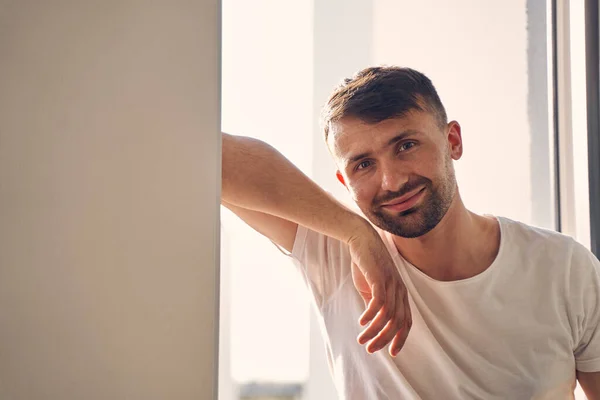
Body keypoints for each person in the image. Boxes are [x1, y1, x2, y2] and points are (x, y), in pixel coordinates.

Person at [221, 66, 600, 399]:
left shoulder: (563, 266)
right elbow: (208, 153)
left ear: (453, 141)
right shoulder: (336, 253)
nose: (391, 181)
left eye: (406, 146)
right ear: (344, 180)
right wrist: (357, 234)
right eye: (363, 165)